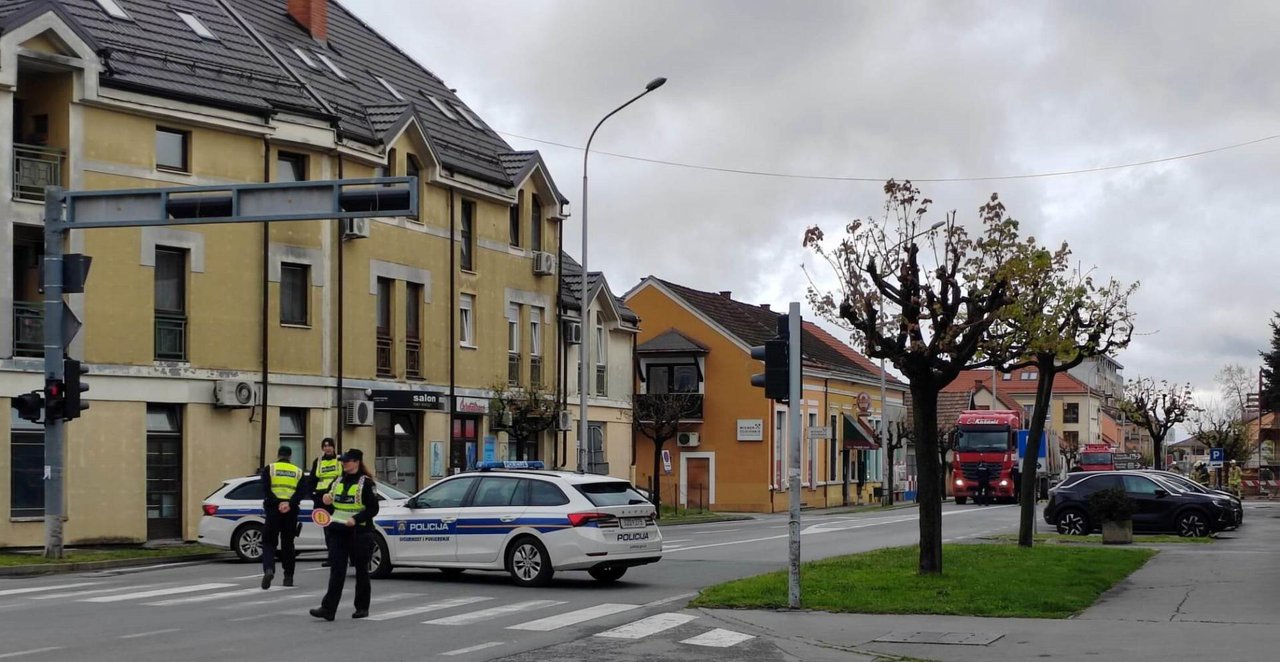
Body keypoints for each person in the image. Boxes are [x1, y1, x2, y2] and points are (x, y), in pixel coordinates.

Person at [311, 449, 380, 621]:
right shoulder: (337, 480)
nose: (344, 463)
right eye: (343, 461)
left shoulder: (367, 483)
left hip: (359, 532)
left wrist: (356, 519)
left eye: (347, 461)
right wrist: (326, 500)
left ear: (357, 462)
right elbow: (329, 505)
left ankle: (362, 607)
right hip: (338, 531)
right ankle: (328, 609)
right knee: (337, 570)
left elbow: (373, 509)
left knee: (361, 571)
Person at [261, 446, 303, 590]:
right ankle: (288, 577)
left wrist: (278, 503)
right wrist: (288, 504)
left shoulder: (269, 469)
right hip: (290, 511)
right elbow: (301, 492)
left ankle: (269, 569)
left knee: (268, 542)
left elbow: (266, 490)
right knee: (288, 544)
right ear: (290, 457)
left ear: (278, 455)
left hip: (273, 510)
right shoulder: (298, 471)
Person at [307, 438, 341, 567]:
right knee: (327, 529)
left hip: (336, 499)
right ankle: (331, 557)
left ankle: (344, 555)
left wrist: (331, 491)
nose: (327, 448)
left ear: (333, 447)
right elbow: (312, 480)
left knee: (339, 528)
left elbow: (342, 477)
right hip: (321, 499)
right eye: (325, 446)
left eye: (330, 445)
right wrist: (314, 496)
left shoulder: (339, 460)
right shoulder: (318, 461)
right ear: (322, 448)